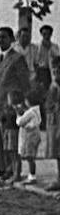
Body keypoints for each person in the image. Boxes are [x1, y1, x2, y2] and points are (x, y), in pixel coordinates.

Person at [0, 27, 32, 181]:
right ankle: (1, 168)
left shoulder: (17, 58)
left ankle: (12, 170)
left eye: (4, 37)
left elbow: (25, 82)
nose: (0, 40)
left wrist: (20, 102)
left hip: (9, 105)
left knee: (10, 141)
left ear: (11, 39)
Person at [14, 91, 42, 185]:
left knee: (29, 157)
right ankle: (31, 175)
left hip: (29, 136)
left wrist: (18, 114)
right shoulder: (37, 110)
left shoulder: (30, 112)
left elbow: (20, 122)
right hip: (36, 135)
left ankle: (32, 176)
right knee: (32, 156)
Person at [45, 57, 60, 191]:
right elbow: (48, 104)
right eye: (54, 70)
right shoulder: (53, 86)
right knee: (57, 152)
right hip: (55, 123)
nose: (56, 73)